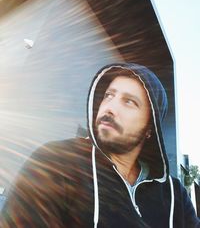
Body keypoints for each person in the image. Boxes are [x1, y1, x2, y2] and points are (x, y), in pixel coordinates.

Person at [0, 63, 199, 228]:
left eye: (129, 102)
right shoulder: (57, 161)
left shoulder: (174, 196)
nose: (110, 107)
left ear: (150, 128)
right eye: (108, 96)